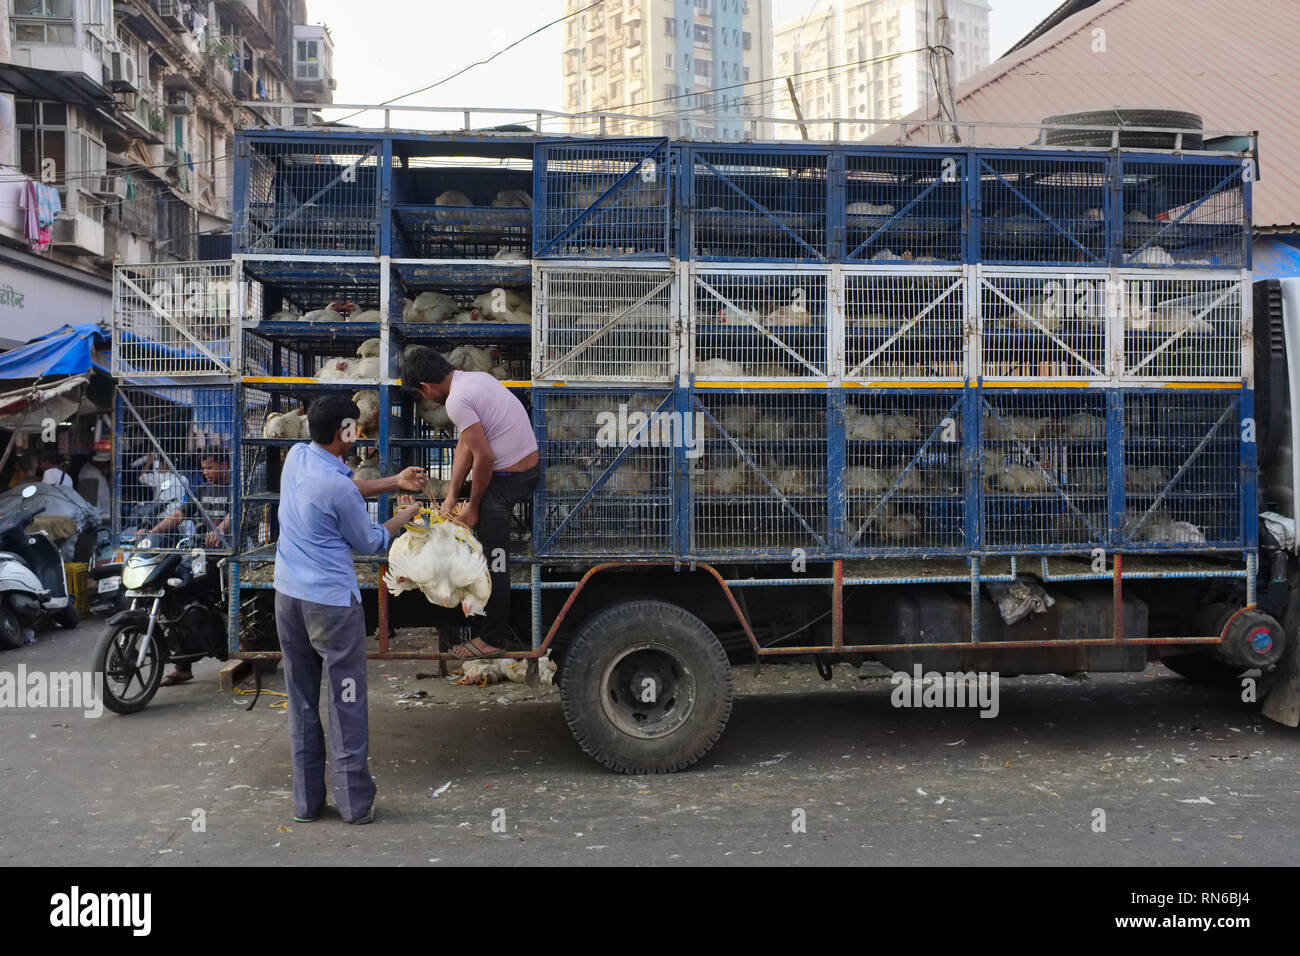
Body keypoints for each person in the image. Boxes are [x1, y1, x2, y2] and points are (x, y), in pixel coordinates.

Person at [273, 393, 424, 825]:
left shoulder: (298, 457)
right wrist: (404, 516)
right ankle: (355, 806)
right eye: (354, 427)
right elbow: (371, 542)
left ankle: (306, 804)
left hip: (287, 599)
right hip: (331, 607)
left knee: (302, 701)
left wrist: (393, 481)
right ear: (344, 431)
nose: (358, 434)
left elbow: (343, 490)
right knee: (347, 702)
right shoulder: (337, 485)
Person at [400, 346, 539, 660]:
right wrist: (451, 495)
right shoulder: (472, 380)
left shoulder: (457, 400)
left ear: (424, 387)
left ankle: (494, 637)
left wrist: (474, 507)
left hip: (516, 477)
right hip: (520, 468)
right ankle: (494, 622)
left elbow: (485, 458)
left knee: (494, 555)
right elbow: (466, 442)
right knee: (468, 505)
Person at [138, 451, 234, 687]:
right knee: (172, 589)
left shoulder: (235, 489)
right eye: (203, 468)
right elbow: (179, 515)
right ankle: (183, 665)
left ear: (224, 464)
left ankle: (235, 645)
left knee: (227, 595)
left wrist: (221, 528)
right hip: (200, 553)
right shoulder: (200, 491)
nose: (205, 472)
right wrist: (153, 532)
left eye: (210, 467)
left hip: (229, 554)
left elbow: (237, 513)